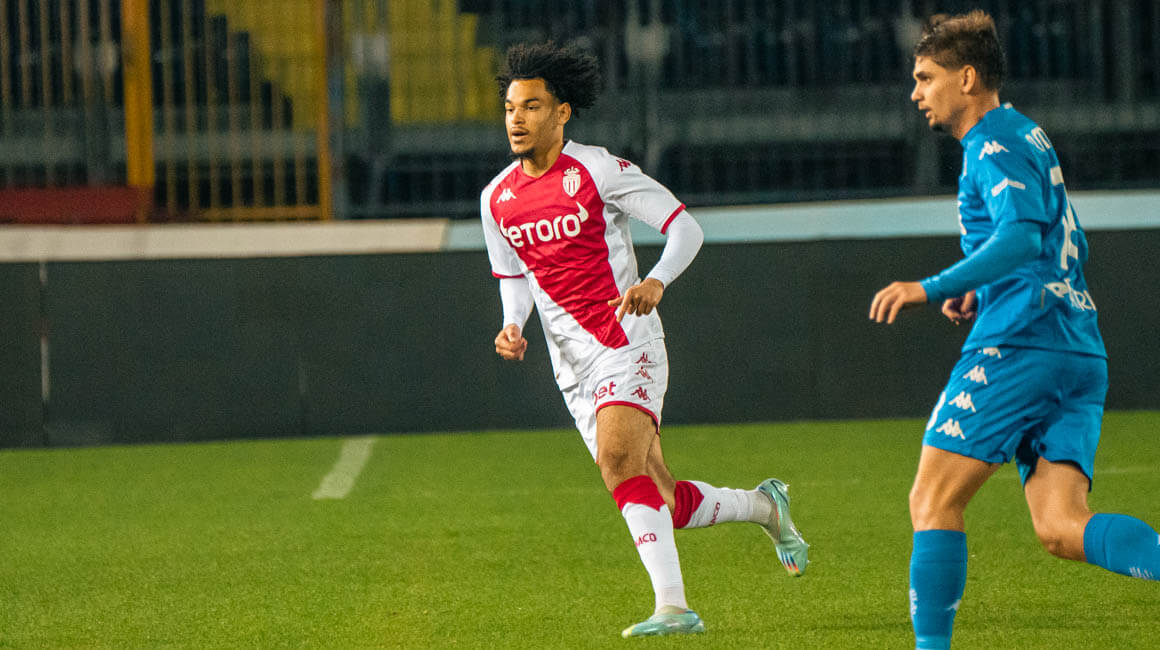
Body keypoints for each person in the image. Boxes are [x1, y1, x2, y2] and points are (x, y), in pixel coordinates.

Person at [480, 41, 809, 638]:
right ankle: (767, 506)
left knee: (617, 462)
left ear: (562, 113)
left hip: (626, 342)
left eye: (531, 106)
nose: (516, 119)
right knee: (662, 496)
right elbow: (515, 277)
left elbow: (685, 228)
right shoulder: (497, 198)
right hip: (571, 367)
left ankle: (673, 608)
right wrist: (513, 324)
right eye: (509, 108)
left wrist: (656, 279)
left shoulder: (598, 170)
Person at [870, 11, 1160, 650]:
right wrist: (982, 287)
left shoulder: (991, 144)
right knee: (1061, 526)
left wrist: (931, 286)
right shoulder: (1027, 135)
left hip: (1021, 343)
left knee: (932, 500)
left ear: (966, 78)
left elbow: (1023, 237)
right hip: (1076, 347)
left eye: (926, 77)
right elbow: (1059, 240)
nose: (916, 93)